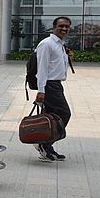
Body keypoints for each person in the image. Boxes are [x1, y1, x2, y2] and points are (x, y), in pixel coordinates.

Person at [34, 16, 74, 162]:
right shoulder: (47, 44)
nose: (64, 29)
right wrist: (41, 90)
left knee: (50, 118)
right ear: (54, 27)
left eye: (67, 27)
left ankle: (46, 146)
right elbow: (42, 68)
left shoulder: (60, 44)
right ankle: (43, 144)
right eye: (61, 26)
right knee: (64, 114)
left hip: (56, 85)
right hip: (50, 86)